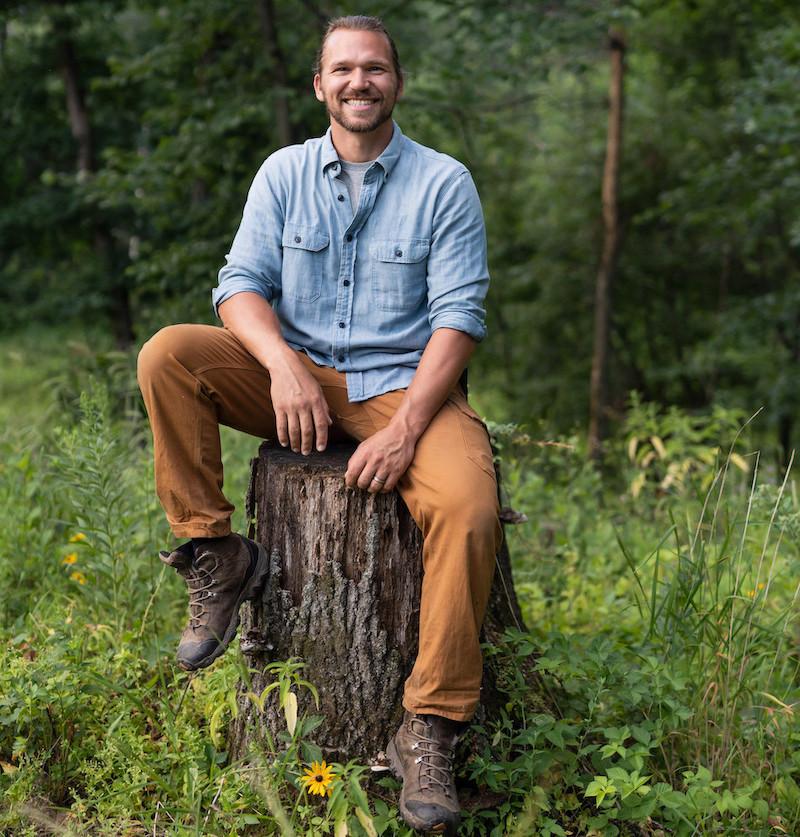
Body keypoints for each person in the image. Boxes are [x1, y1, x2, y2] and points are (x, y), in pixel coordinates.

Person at [137, 14, 502, 834]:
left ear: (396, 83)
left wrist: (408, 427)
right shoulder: (283, 173)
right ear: (319, 85)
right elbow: (238, 286)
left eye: (374, 69)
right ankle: (219, 553)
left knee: (469, 507)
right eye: (343, 69)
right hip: (292, 379)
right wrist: (284, 366)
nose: (358, 82)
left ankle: (431, 724)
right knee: (169, 355)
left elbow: (460, 318)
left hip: (402, 390)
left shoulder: (444, 182)